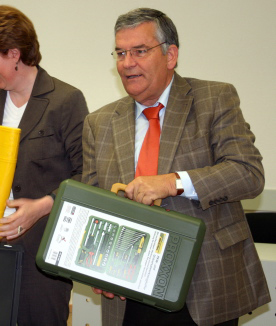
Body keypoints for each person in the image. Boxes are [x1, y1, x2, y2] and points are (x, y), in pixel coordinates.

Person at [82, 8, 270, 326]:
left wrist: (173, 182)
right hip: (129, 289)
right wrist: (95, 264)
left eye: (140, 51)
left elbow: (248, 173)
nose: (127, 63)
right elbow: (93, 206)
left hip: (204, 284)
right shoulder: (99, 123)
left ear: (171, 55)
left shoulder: (214, 99)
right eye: (121, 53)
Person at [0, 5, 89, 325]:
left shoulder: (65, 101)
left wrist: (41, 207)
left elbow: (87, 176)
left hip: (42, 251)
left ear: (14, 53)